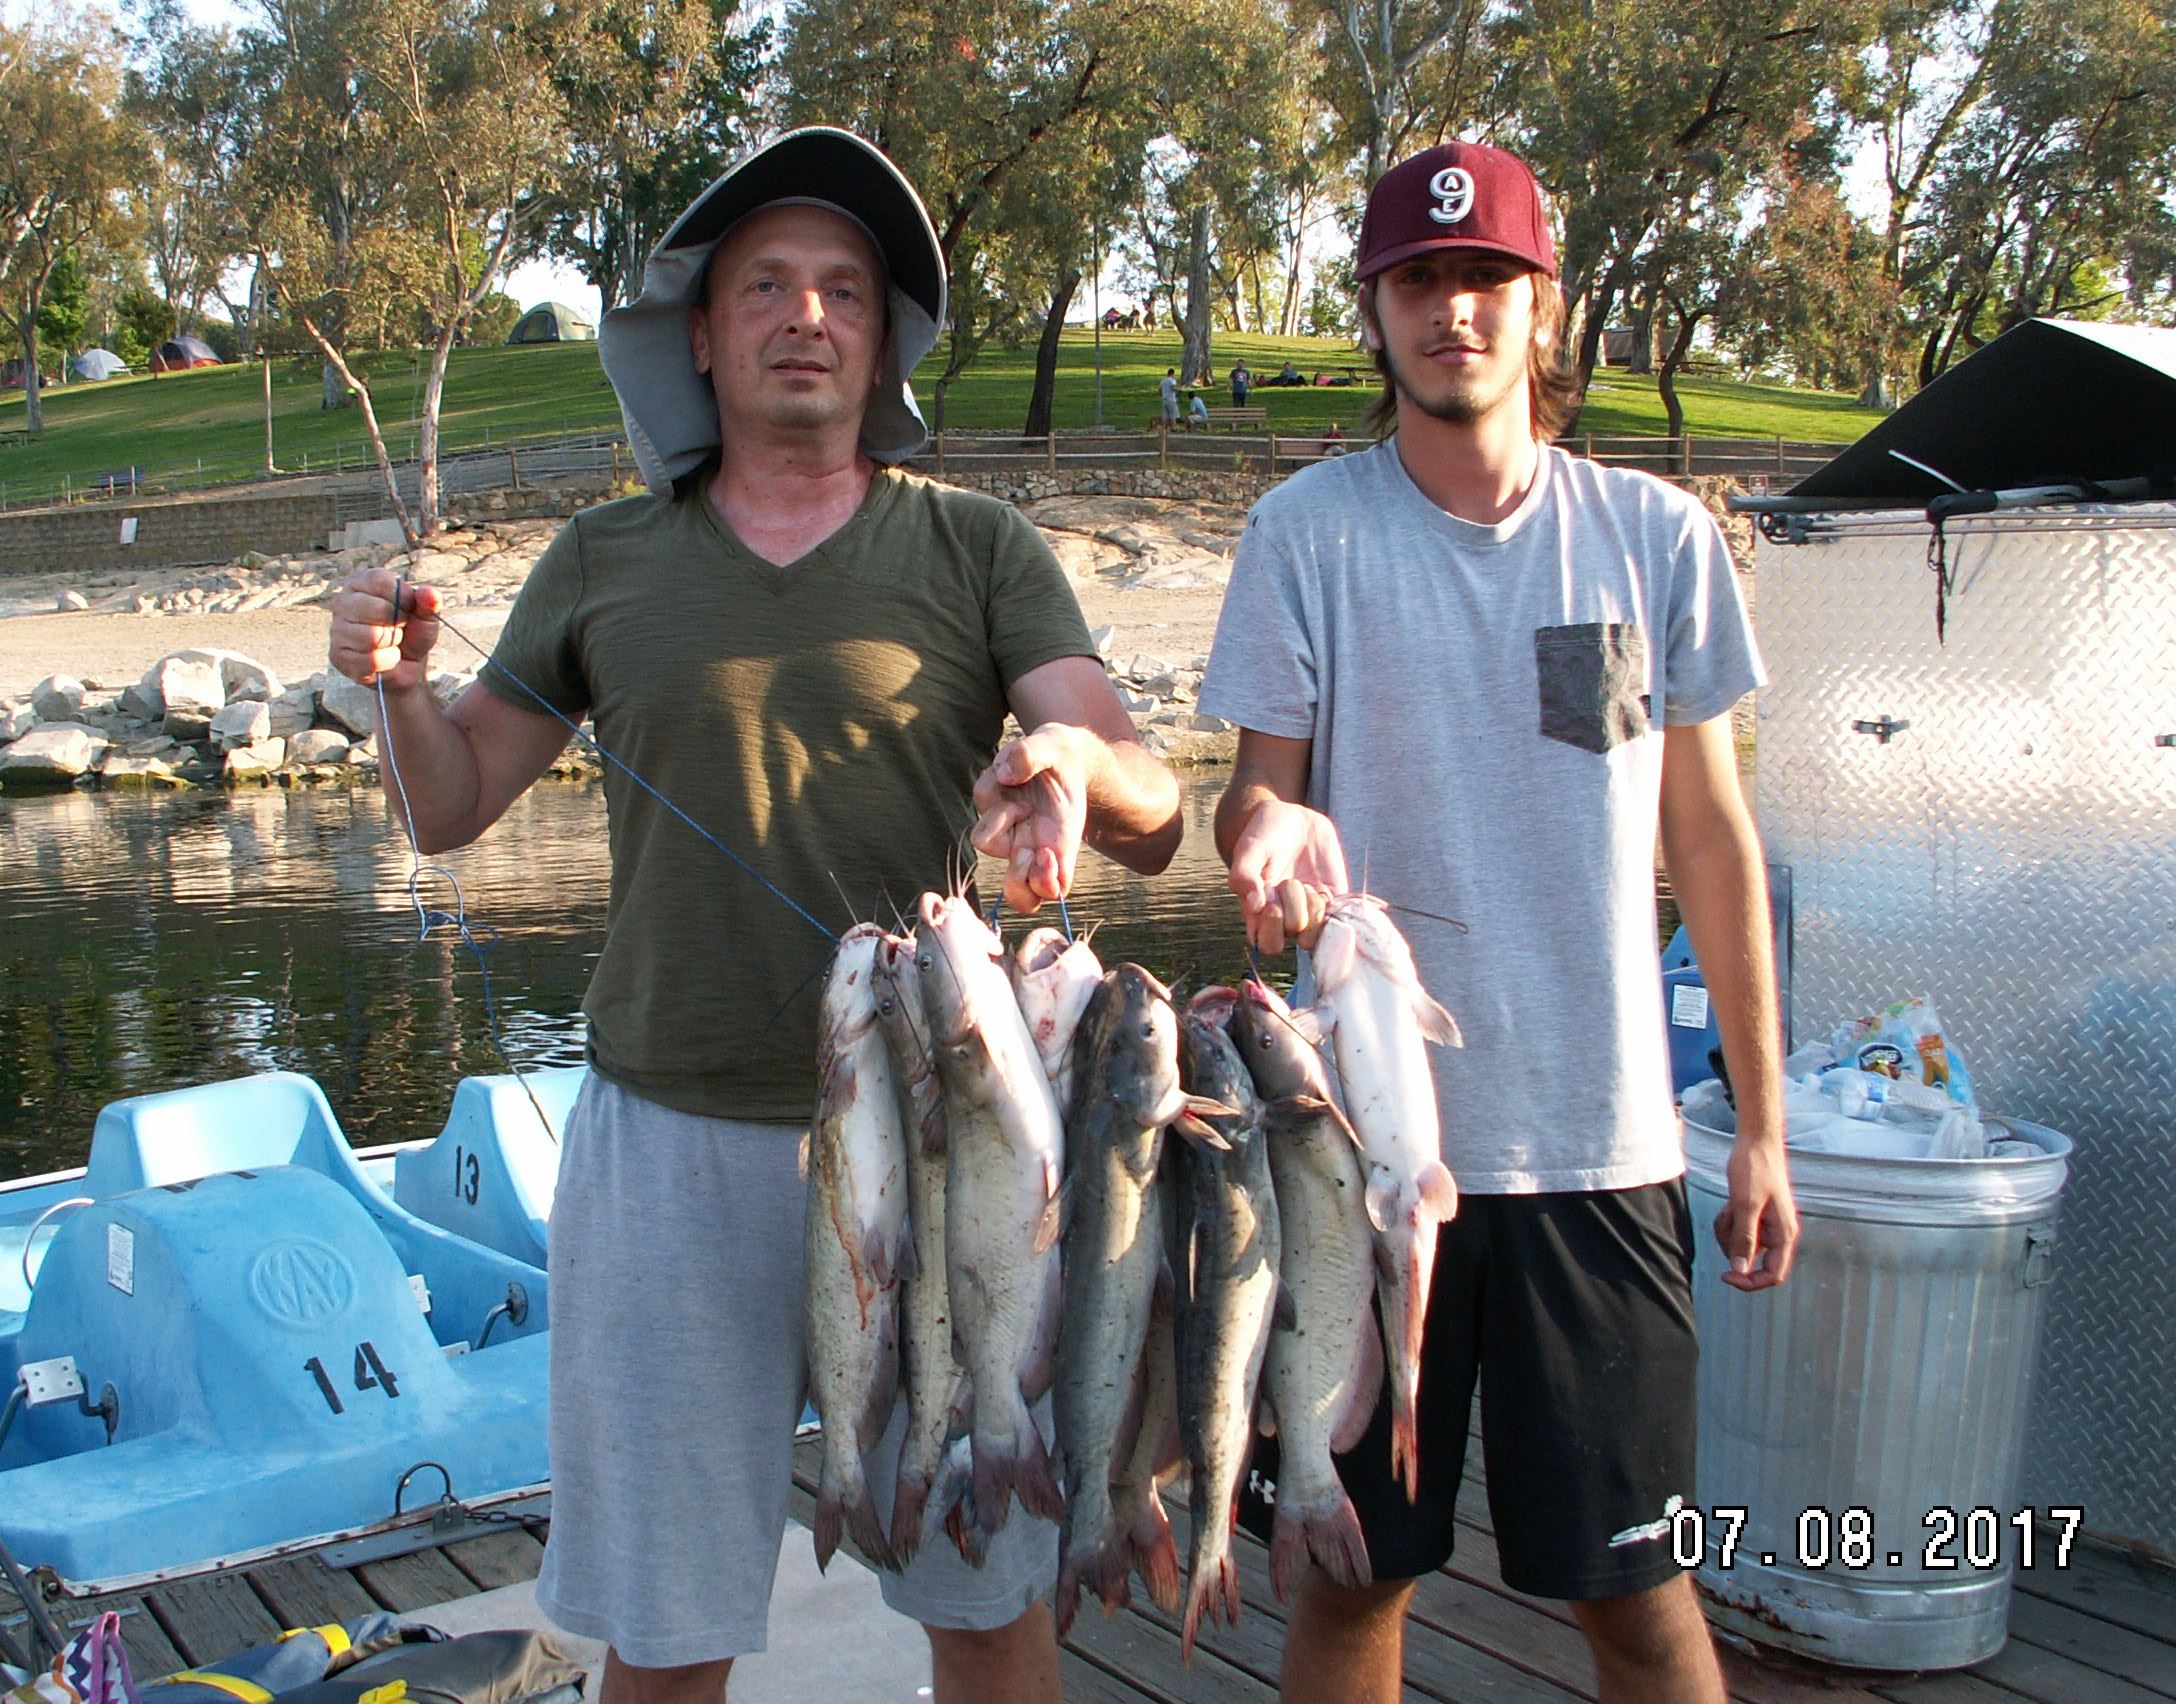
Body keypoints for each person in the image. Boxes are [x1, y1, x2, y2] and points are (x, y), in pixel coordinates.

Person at [328, 127, 1182, 1704]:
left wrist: (1070, 763)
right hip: (669, 1153)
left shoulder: (975, 548)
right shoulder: (602, 557)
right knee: (662, 1640)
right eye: (767, 287)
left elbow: (1153, 803)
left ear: (883, 339)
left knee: (990, 1607)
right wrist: (394, 687)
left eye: (845, 290)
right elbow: (447, 809)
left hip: (949, 1154)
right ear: (703, 338)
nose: (807, 316)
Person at [1198, 139, 1796, 1704]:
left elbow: (1712, 845)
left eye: (1484, 279)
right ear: (1376, 311)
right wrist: (1268, 839)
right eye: (1419, 281)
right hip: (1356, 1159)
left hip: (1600, 1156)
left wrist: (1766, 1130)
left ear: (1544, 305)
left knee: (1643, 1607)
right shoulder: (1304, 537)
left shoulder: (1656, 539)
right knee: (1348, 1586)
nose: (1451, 310)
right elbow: (1248, 806)